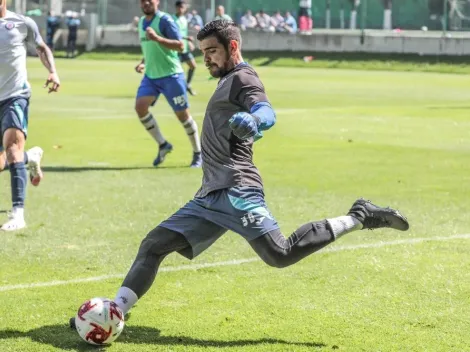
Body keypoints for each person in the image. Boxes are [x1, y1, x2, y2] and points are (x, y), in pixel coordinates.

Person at [70, 20, 409, 331]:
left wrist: (256, 121)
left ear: (233, 47)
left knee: (279, 254)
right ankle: (112, 312)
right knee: (154, 245)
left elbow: (266, 110)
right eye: (203, 53)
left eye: (212, 51)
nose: (206, 59)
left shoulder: (243, 78)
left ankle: (359, 215)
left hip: (237, 189)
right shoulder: (225, 80)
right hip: (209, 196)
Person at [0, 0, 60, 231]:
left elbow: (41, 47)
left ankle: (18, 215)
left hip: (15, 96)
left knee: (12, 148)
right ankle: (31, 157)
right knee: (7, 159)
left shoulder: (21, 23)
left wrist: (53, 72)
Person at [134, 0, 201, 167]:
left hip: (171, 76)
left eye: (149, 1)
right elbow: (149, 48)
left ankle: (198, 153)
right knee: (140, 108)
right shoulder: (142, 22)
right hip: (151, 76)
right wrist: (143, 61)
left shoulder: (165, 20)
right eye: (142, 1)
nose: (146, 3)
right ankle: (163, 145)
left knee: (183, 116)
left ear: (157, 2)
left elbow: (179, 45)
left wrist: (157, 38)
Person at [173, 1, 197, 96]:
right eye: (179, 7)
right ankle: (176, 90)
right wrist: (187, 38)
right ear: (176, 8)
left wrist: (189, 42)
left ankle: (188, 85)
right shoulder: (173, 19)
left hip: (184, 49)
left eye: (182, 7)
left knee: (193, 66)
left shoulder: (184, 19)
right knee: (176, 72)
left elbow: (184, 33)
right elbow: (174, 34)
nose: (181, 9)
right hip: (176, 49)